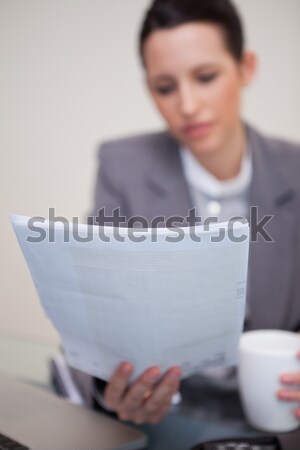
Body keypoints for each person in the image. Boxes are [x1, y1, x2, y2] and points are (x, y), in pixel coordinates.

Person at [71, 0, 300, 425]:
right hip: (167, 416)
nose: (188, 105)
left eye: (206, 77)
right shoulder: (122, 167)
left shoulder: (295, 171)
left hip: (277, 413)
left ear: (246, 68)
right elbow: (98, 325)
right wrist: (112, 391)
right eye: (165, 87)